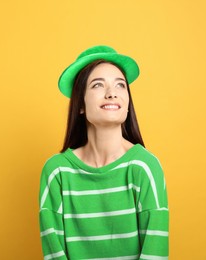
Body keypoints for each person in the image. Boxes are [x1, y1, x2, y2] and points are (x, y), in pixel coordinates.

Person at [39, 45, 169, 259]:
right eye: (98, 85)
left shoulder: (145, 166)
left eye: (120, 85)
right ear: (80, 104)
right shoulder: (56, 172)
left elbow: (155, 251)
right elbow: (53, 250)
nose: (112, 94)